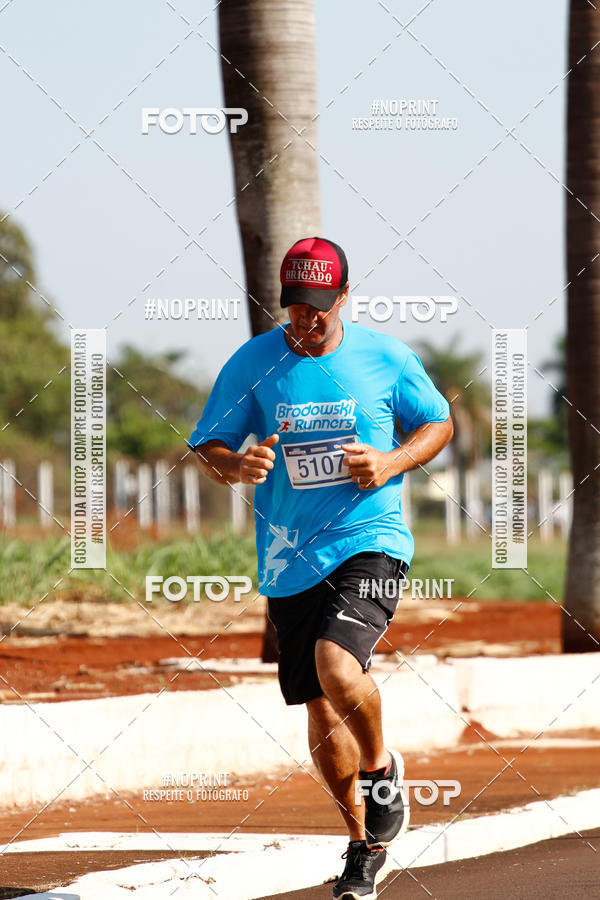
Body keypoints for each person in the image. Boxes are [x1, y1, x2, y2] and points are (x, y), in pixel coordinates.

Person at [189, 236, 453, 900]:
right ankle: (363, 844)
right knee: (318, 706)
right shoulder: (255, 363)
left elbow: (439, 423)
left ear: (341, 297)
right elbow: (209, 443)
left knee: (339, 666)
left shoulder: (386, 358)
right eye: (294, 306)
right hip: (288, 559)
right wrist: (236, 465)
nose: (304, 320)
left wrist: (391, 463)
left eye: (317, 307)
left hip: (370, 539)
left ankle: (382, 766)